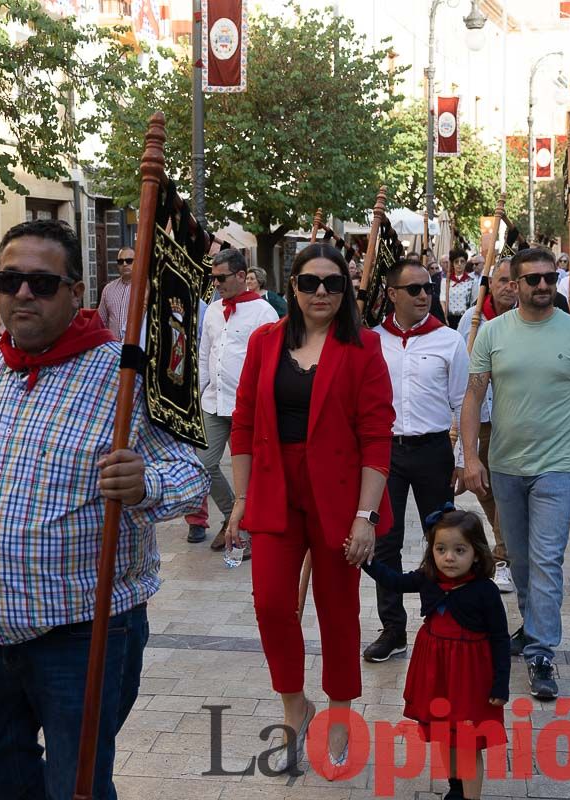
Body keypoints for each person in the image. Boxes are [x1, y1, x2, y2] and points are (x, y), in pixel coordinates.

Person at [0, 219, 209, 800]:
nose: (22, 294)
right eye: (8, 279)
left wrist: (146, 484)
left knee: (78, 782)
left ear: (76, 292)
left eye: (41, 283)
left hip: (82, 630)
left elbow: (194, 477)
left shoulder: (127, 378)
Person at [225, 242, 393, 772]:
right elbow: (245, 422)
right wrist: (241, 500)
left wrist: (365, 517)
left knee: (337, 609)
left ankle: (340, 709)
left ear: (346, 291)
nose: (321, 292)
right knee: (272, 604)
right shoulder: (264, 341)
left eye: (333, 283)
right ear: (291, 287)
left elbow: (376, 436)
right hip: (276, 490)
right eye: (309, 282)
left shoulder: (364, 346)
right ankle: (294, 704)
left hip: (341, 498)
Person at [461, 246, 570, 701]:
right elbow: (472, 397)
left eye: (549, 278)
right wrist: (470, 456)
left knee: (546, 561)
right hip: (505, 466)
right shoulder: (492, 333)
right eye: (533, 279)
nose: (542, 285)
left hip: (557, 469)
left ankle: (542, 651)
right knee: (520, 561)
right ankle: (531, 626)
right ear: (514, 284)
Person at [359, 507, 509, 800]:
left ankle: (471, 797)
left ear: (476, 553)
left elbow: (501, 639)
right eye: (441, 549)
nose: (449, 557)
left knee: (467, 740)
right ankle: (456, 785)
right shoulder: (429, 577)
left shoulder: (485, 591)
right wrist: (365, 558)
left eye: (459, 550)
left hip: (470, 677)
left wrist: (500, 683)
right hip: (436, 670)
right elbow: (394, 581)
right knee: (444, 731)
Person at [366, 259, 468, 663]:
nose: (424, 295)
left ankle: (442, 618)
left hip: (432, 449)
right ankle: (393, 628)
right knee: (384, 541)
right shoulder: (371, 340)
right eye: (414, 289)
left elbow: (463, 402)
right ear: (392, 294)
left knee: (444, 538)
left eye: (428, 287)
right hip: (384, 451)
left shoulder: (448, 341)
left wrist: (463, 458)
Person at [187, 250, 279, 548]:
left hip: (247, 406)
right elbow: (204, 353)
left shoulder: (264, 312)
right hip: (214, 401)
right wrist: (201, 390)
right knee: (202, 463)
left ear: (242, 276)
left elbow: (272, 360)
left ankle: (249, 529)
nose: (216, 284)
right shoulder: (214, 309)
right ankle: (232, 516)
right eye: (213, 278)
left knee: (249, 470)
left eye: (221, 278)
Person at [457, 258, 517, 593]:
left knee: (505, 486)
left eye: (514, 281)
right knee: (483, 486)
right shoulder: (472, 318)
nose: (509, 286)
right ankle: (505, 539)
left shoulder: (525, 320)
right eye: (503, 280)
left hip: (510, 417)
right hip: (480, 415)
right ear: (491, 284)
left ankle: (503, 556)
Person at [97, 246, 135, 339]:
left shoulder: (145, 288)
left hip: (137, 348)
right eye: (120, 261)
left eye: (129, 261)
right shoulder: (108, 289)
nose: (125, 264)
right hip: (113, 348)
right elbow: (101, 322)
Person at [442, 248, 478, 328]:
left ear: (465, 263)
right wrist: (445, 318)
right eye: (456, 262)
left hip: (465, 318)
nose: (459, 264)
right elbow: (443, 301)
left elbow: (474, 302)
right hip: (449, 318)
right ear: (452, 264)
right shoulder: (446, 281)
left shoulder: (472, 281)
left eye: (462, 261)